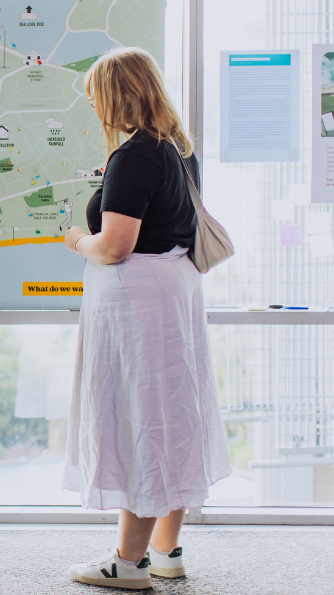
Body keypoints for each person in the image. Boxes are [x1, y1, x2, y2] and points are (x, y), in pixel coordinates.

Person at [61, 47, 231, 590]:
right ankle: (165, 551)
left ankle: (127, 564)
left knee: (139, 420)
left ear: (117, 94)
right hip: (173, 291)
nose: (93, 107)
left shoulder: (135, 155)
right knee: (172, 415)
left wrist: (77, 241)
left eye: (95, 96)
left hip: (139, 303)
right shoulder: (180, 150)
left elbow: (115, 245)